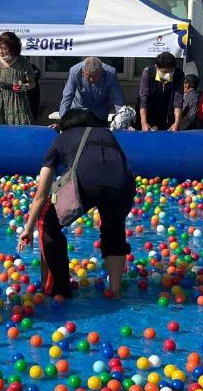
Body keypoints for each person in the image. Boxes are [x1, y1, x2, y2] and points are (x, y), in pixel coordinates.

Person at [17, 109, 135, 299]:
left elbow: (41, 193)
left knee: (47, 223)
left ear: (65, 126)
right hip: (123, 185)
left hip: (86, 182)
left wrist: (28, 228)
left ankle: (56, 289)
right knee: (114, 232)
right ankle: (115, 290)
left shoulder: (61, 139)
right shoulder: (107, 134)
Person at [0, 32, 36, 126]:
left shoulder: (23, 62)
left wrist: (24, 86)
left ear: (13, 48)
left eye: (4, 48)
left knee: (19, 132)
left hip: (17, 101)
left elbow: (32, 82)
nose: (0, 51)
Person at [59, 57, 124, 121]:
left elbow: (118, 99)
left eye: (95, 76)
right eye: (88, 75)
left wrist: (123, 120)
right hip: (78, 111)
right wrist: (62, 121)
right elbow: (67, 97)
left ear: (101, 72)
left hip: (100, 114)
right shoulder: (74, 71)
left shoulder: (111, 73)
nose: (91, 79)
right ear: (83, 72)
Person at [138, 52, 184, 131]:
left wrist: (177, 122)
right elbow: (144, 98)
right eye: (164, 72)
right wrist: (143, 121)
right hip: (148, 112)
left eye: (170, 72)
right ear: (157, 67)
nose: (168, 75)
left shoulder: (178, 74)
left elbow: (178, 99)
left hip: (168, 114)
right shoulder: (148, 72)